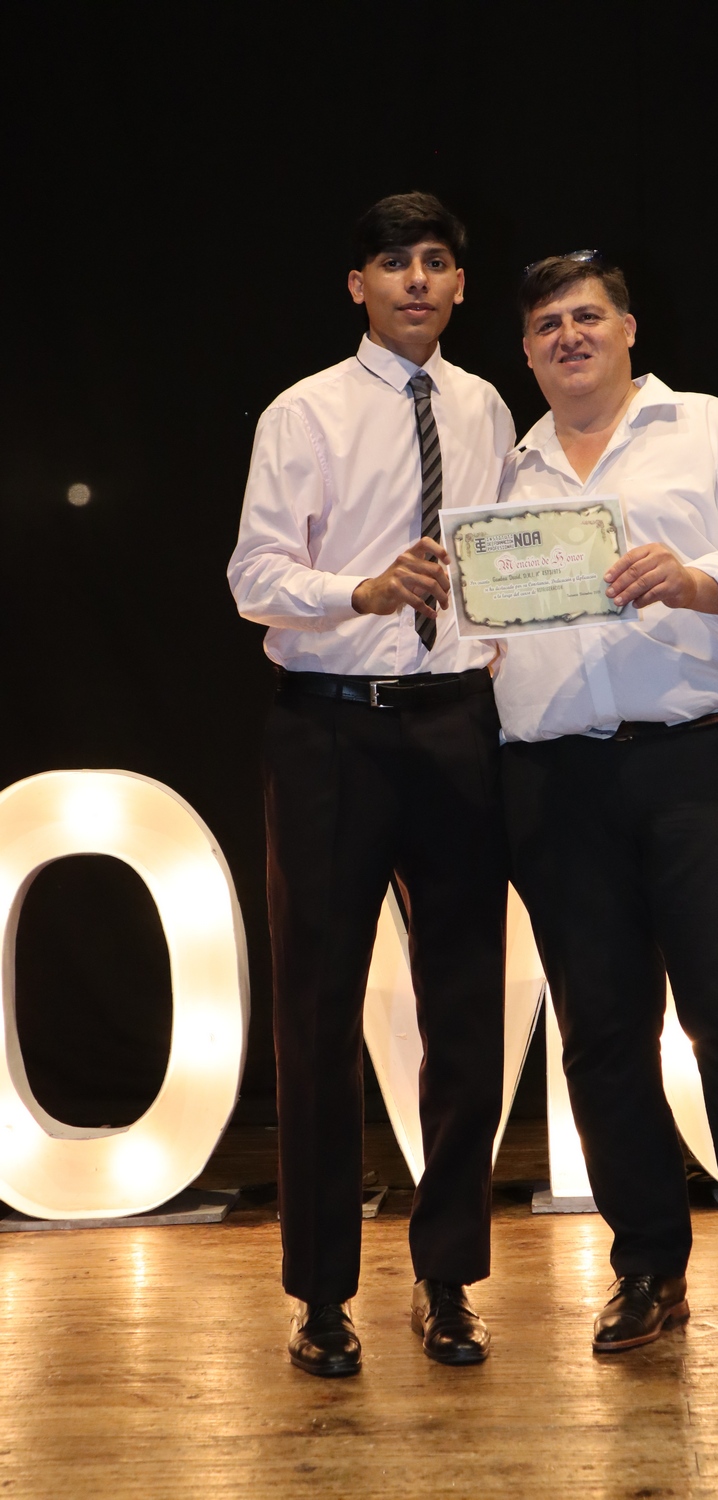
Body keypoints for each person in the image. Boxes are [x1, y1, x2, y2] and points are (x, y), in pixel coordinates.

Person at [494, 252, 718, 1386]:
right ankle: (647, 1267)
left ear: (629, 327)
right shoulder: (505, 470)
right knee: (600, 1036)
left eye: (586, 315)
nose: (568, 336)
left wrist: (697, 579)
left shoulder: (707, 429)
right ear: (526, 350)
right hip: (557, 778)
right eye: (546, 324)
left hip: (709, 761)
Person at [228, 193, 514, 1377]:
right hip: (332, 727)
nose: (416, 280)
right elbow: (254, 575)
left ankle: (448, 1282)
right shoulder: (304, 411)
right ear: (358, 285)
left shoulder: (486, 406)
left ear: (460, 285)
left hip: (455, 724)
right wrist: (361, 591)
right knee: (317, 1015)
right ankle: (321, 1297)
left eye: (436, 261)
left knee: (466, 1011)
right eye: (394, 262)